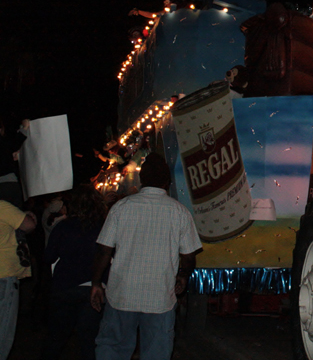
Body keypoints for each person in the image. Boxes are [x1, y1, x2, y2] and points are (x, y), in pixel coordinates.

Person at [90, 154, 202, 360]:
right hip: (160, 297)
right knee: (156, 352)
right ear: (167, 182)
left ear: (142, 180)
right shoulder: (180, 212)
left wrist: (96, 282)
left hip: (122, 294)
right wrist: (183, 277)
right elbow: (188, 256)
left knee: (112, 349)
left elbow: (104, 250)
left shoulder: (121, 208)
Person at [41, 186, 108, 360]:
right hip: (94, 288)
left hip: (65, 286)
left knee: (56, 339)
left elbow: (48, 256)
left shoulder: (63, 227)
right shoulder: (104, 228)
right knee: (89, 341)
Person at [1, 200, 37, 360]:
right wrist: (29, 216)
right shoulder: (2, 206)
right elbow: (28, 225)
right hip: (4, 275)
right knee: (3, 331)